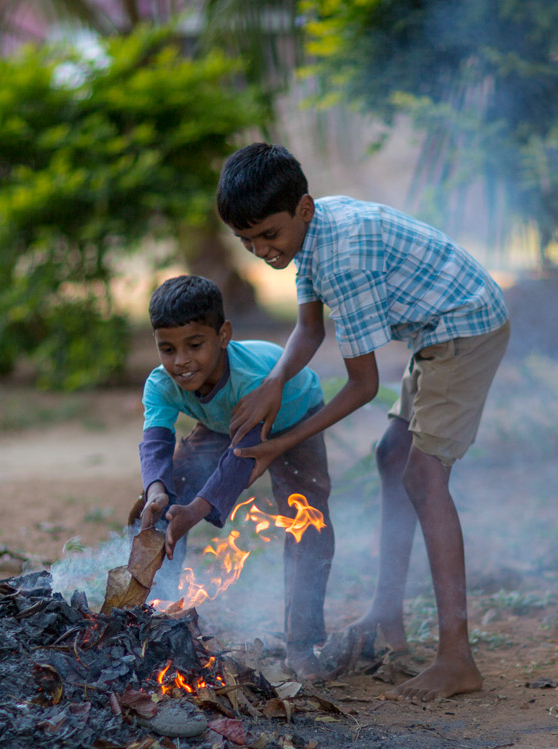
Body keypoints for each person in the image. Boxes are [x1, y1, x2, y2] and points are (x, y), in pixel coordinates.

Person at [216, 143, 510, 701]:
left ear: (302, 209)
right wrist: (274, 381)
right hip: (437, 332)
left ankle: (457, 658)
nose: (261, 251)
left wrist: (281, 443)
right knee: (391, 456)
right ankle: (386, 611)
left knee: (424, 477)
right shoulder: (311, 234)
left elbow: (363, 386)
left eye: (268, 236)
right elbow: (309, 328)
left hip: (466, 326)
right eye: (246, 241)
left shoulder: (342, 257)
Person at [134, 274, 336, 677]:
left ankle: (301, 643)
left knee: (307, 522)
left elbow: (242, 458)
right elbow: (155, 442)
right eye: (168, 349)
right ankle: (156, 616)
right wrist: (157, 490)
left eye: (194, 345)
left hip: (294, 413)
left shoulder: (250, 380)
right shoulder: (161, 383)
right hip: (225, 422)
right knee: (161, 505)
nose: (181, 361)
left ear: (223, 335)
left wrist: (197, 510)